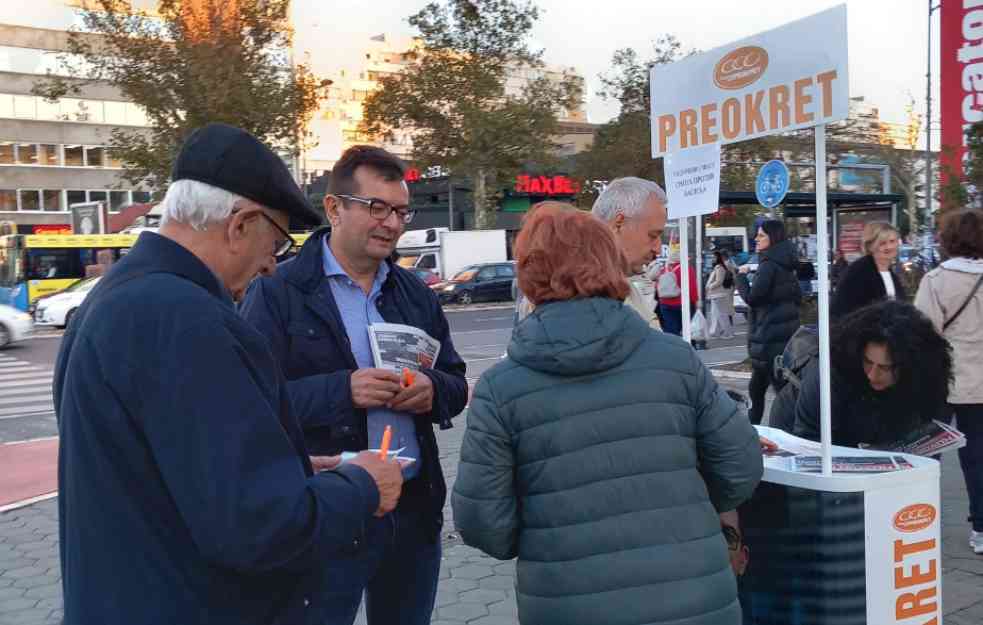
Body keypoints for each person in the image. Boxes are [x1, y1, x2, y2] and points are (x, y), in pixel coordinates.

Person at [53, 124, 404, 624]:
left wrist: (294, 472)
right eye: (277, 243)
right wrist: (363, 487)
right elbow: (257, 528)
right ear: (240, 223)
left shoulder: (109, 300)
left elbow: (164, 471)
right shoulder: (190, 318)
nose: (270, 267)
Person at [452, 203, 763, 625]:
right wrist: (687, 509)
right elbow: (741, 466)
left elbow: (482, 522)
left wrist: (545, 533)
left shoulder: (499, 389)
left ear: (528, 276)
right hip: (694, 594)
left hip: (567, 601)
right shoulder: (676, 359)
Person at [239, 144, 468, 625]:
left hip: (410, 506)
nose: (391, 223)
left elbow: (456, 381)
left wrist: (432, 390)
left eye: (400, 211)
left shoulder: (413, 293)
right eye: (376, 208)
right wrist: (343, 391)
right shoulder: (277, 291)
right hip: (326, 507)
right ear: (334, 208)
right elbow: (251, 406)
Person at [789, 300, 952, 448]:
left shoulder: (921, 379)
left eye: (885, 368)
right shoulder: (827, 373)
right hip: (795, 431)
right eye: (867, 362)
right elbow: (808, 442)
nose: (872, 375)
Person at [915, 207, 983, 553]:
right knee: (979, 458)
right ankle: (981, 530)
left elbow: (923, 335)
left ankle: (919, 521)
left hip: (943, 381)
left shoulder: (936, 281)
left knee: (930, 454)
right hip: (981, 385)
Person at [735, 220, 800, 424]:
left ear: (773, 238)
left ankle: (783, 432)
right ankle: (757, 431)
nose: (756, 238)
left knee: (777, 392)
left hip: (769, 339)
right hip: (782, 338)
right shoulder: (786, 263)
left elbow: (754, 298)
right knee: (760, 389)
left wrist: (741, 277)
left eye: (761, 235)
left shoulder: (769, 265)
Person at [590, 177, 668, 330]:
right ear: (618, 224)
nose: (658, 249)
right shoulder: (569, 291)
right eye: (652, 235)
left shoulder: (615, 284)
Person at [831, 221, 905, 318]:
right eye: (882, 243)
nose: (889, 247)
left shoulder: (890, 273)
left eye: (892, 241)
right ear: (870, 246)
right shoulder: (858, 273)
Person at [656, 249, 699, 336]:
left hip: (664, 303)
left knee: (670, 328)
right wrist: (695, 301)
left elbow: (658, 285)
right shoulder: (686, 269)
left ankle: (672, 346)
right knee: (686, 329)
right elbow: (692, 287)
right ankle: (684, 346)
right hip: (681, 303)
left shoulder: (665, 269)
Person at [706, 250, 735, 339]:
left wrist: (709, 286)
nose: (712, 259)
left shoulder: (721, 267)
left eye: (714, 257)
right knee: (717, 313)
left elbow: (719, 281)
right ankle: (716, 331)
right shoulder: (724, 266)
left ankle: (726, 332)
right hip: (720, 293)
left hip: (719, 293)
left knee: (722, 313)